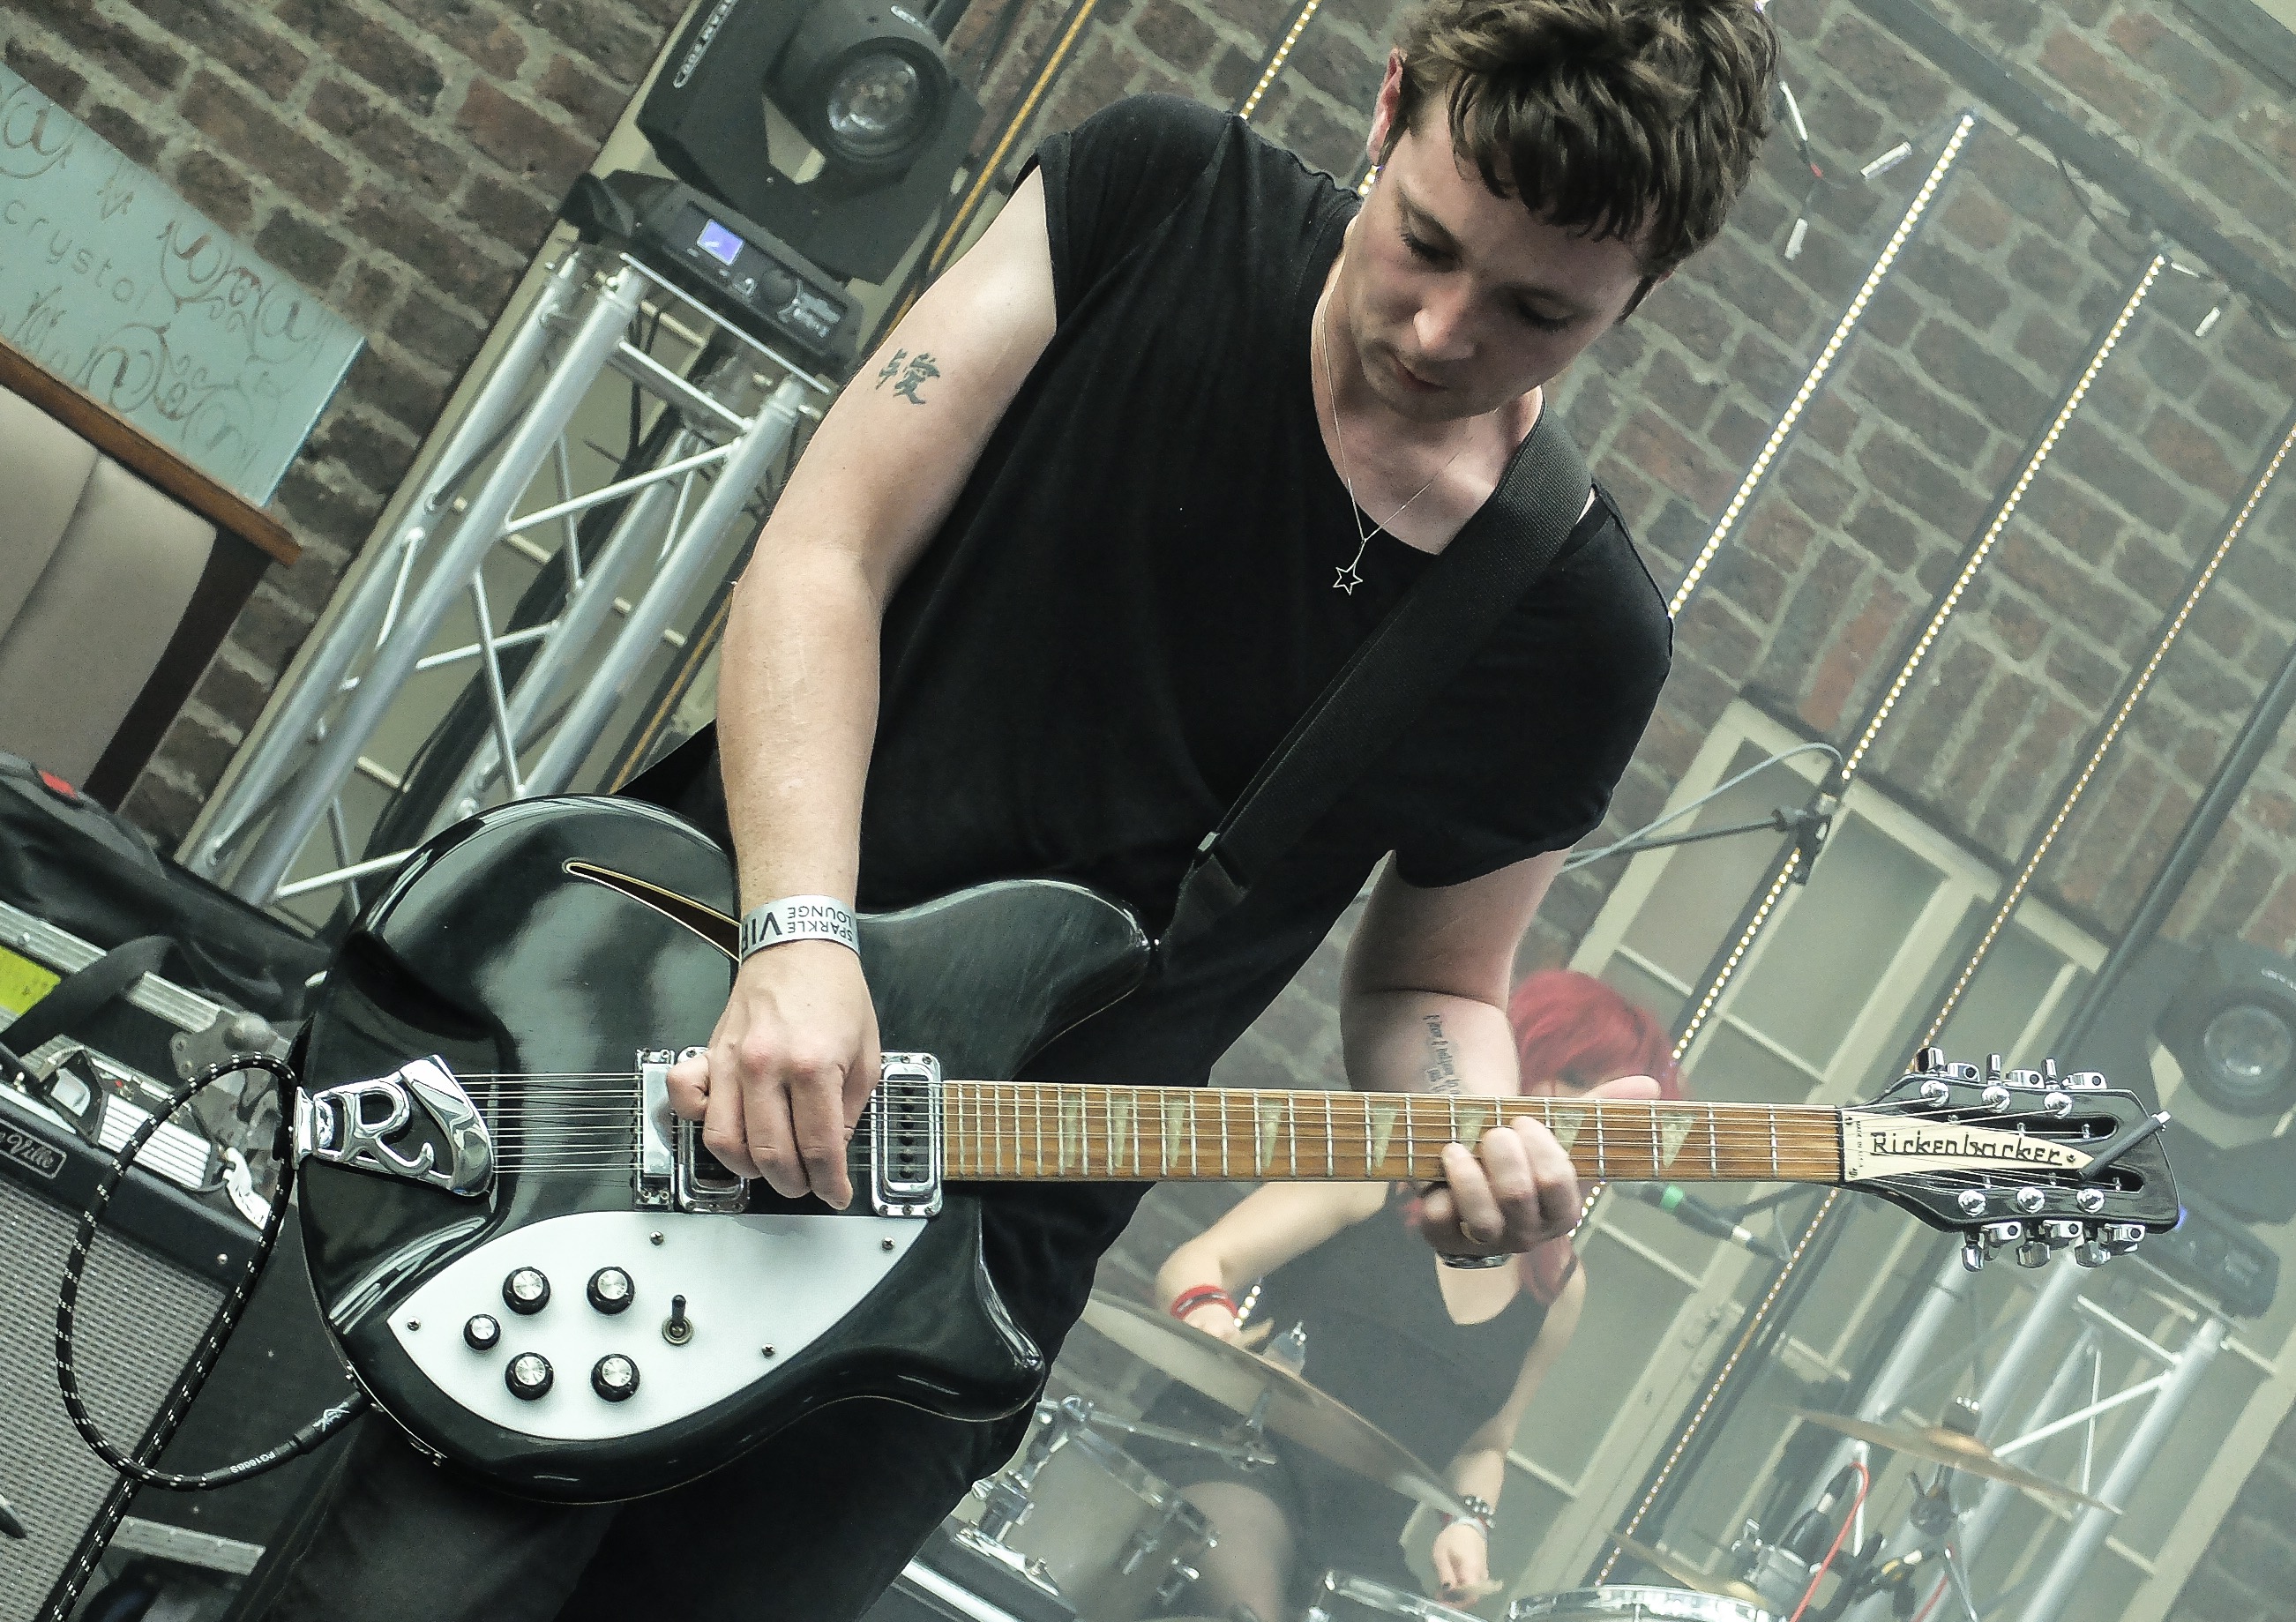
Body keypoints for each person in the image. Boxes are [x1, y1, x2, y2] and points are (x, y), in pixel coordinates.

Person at [225, 4, 1774, 1618]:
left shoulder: (1569, 619)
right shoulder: (1160, 195)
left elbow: (1433, 980)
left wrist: (1474, 1127)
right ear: (1387, 110)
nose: (1443, 330)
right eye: (1424, 242)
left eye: (1536, 311)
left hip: (967, 1255)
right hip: (683, 1050)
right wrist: (799, 939)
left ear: (1639, 287)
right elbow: (828, 543)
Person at [1141, 971, 1681, 1621]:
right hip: (1230, 1462)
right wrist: (1209, 1315)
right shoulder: (1378, 1167)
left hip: (1356, 1534)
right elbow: (1204, 1261)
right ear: (1514, 1061)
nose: (1585, 1110)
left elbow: (1486, 1443)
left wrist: (1468, 1523)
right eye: (1573, 1078)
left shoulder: (1559, 1286)